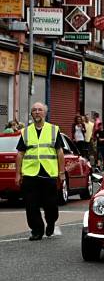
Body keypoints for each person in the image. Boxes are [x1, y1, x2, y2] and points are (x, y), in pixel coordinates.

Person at [15, 102, 65, 241]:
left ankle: (51, 221)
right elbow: (20, 154)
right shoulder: (26, 131)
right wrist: (18, 174)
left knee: (51, 205)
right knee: (31, 205)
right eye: (34, 110)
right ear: (31, 114)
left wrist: (61, 173)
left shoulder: (54, 130)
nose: (37, 112)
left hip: (48, 173)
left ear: (45, 113)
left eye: (40, 110)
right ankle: (37, 230)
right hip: (30, 174)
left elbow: (59, 152)